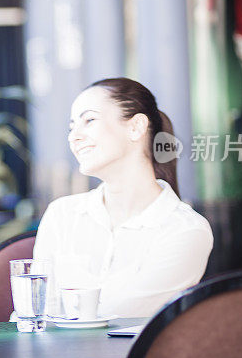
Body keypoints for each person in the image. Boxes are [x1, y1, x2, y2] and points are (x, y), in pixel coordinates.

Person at [34, 78, 213, 318]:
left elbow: (117, 317)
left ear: (136, 127)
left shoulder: (186, 231)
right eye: (71, 127)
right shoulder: (61, 215)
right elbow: (37, 312)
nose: (73, 137)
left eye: (89, 120)